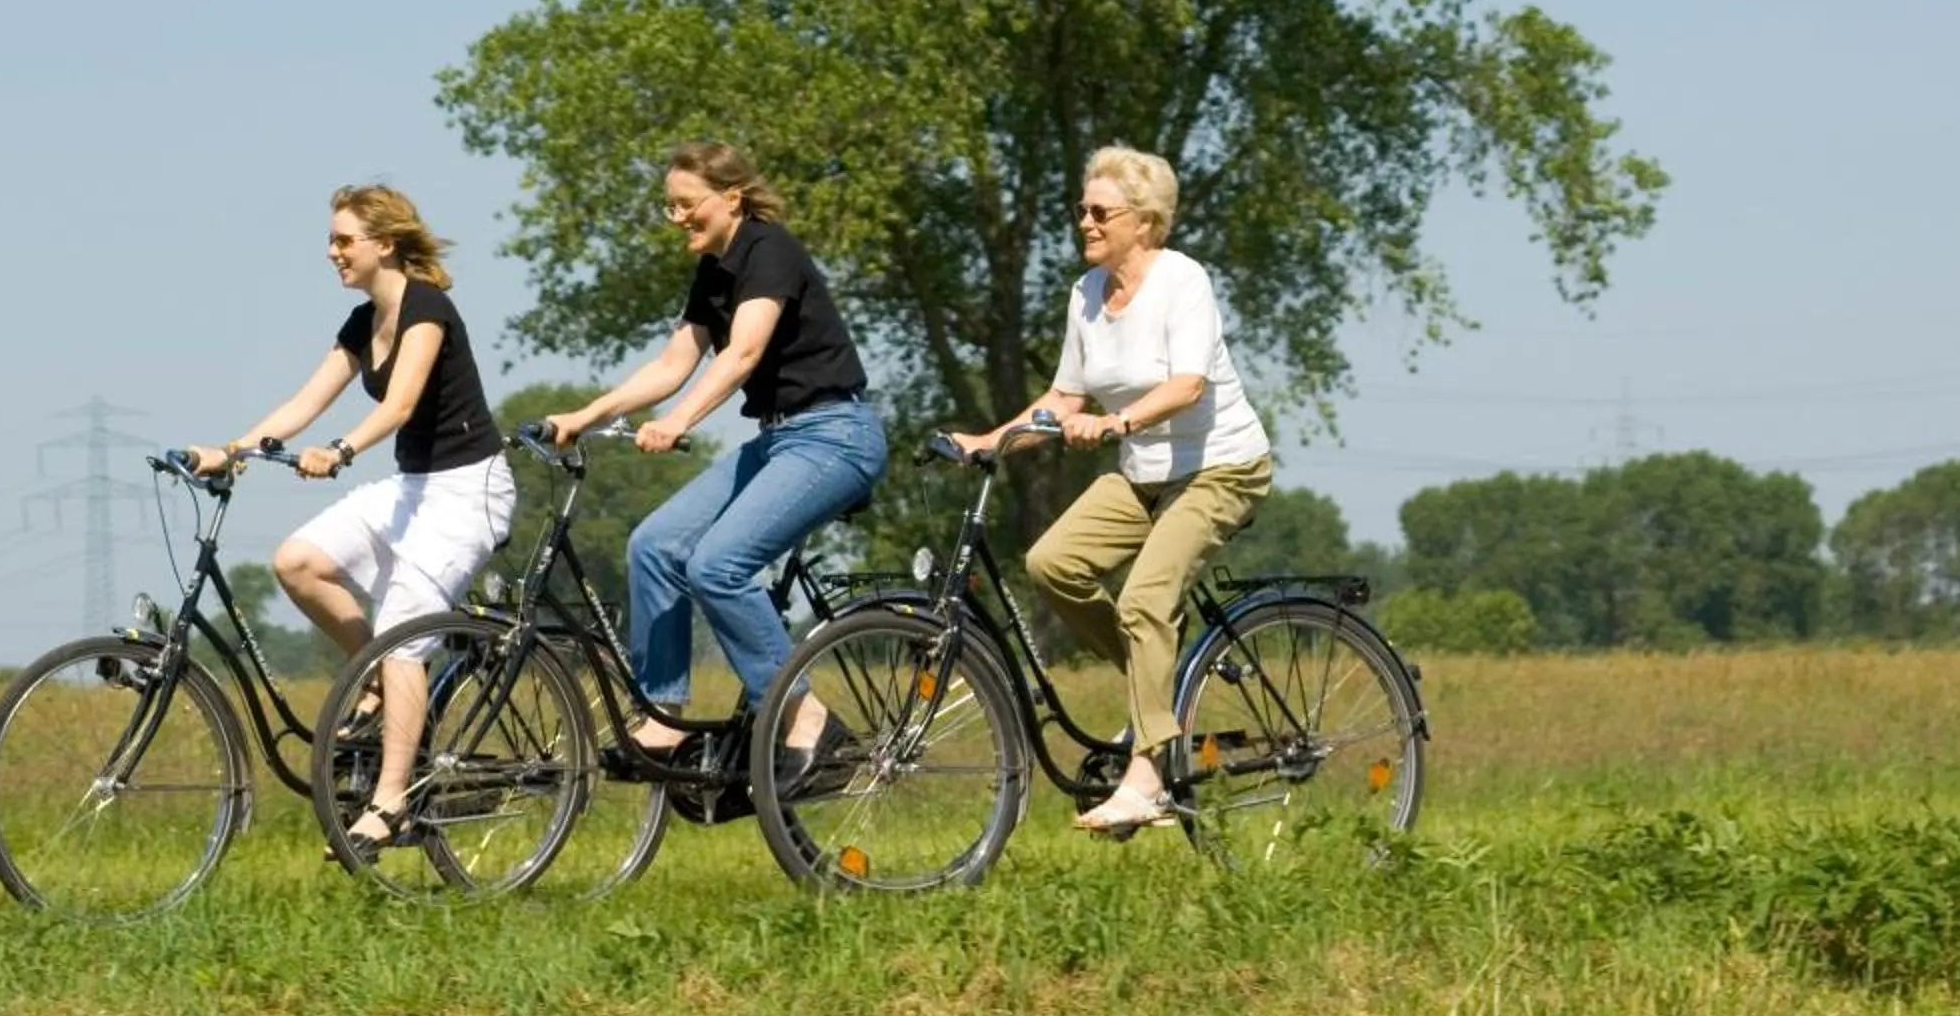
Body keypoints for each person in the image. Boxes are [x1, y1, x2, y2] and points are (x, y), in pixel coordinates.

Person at [946, 143, 1276, 833]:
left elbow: (1188, 385)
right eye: (1081, 210)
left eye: (1101, 212)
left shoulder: (1182, 281)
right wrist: (989, 441)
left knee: (1146, 598)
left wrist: (1119, 420)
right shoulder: (1087, 295)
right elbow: (1064, 397)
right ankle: (1157, 685)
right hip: (1145, 471)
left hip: (1220, 466)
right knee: (1052, 564)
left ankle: (1149, 778)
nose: (1086, 223)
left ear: (1144, 222)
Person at [189, 183, 512, 859]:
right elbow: (304, 401)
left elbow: (399, 404)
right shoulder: (362, 323)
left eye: (343, 240)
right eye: (331, 241)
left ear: (384, 244)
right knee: (298, 561)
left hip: (467, 489)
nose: (332, 252)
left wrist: (341, 450)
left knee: (401, 635)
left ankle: (390, 801)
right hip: (414, 483)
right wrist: (232, 450)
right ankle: (374, 681)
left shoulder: (427, 308)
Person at [547, 142, 887, 782]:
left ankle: (804, 716)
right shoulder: (714, 270)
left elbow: (743, 353)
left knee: (718, 565)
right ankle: (665, 715)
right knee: (654, 544)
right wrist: (584, 416)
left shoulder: (769, 249)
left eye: (687, 203)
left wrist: (679, 422)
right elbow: (673, 365)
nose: (676, 216)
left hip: (836, 434)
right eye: (668, 205)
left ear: (731, 197)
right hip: (781, 440)